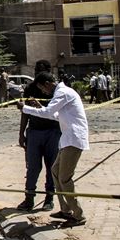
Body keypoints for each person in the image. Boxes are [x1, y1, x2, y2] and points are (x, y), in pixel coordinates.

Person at [17, 72, 89, 227]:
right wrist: (40, 107)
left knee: (64, 178)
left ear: (47, 83)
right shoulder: (61, 93)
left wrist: (26, 108)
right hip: (67, 140)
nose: (43, 92)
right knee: (55, 172)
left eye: (42, 88)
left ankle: (78, 215)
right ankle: (65, 209)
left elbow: (49, 113)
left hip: (74, 139)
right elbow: (55, 116)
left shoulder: (63, 93)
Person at [16, 60, 60, 212]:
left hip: (53, 132)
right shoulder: (30, 88)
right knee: (33, 167)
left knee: (51, 167)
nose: (37, 74)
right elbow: (25, 112)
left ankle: (49, 199)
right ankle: (29, 198)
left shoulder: (58, 90)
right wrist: (21, 134)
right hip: (34, 132)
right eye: (36, 71)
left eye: (41, 71)